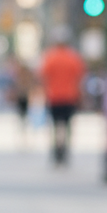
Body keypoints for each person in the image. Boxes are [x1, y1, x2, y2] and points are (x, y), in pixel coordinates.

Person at [39, 28, 86, 165]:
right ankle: (65, 149)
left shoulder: (50, 57)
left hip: (53, 96)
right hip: (70, 96)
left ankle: (56, 150)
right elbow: (80, 78)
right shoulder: (73, 58)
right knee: (67, 125)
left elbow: (43, 77)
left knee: (55, 125)